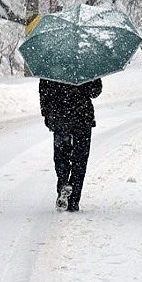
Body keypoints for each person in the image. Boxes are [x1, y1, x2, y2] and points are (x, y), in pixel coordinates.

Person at [39, 77, 103, 212]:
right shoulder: (88, 64)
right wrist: (82, 83)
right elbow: (95, 92)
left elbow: (44, 91)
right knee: (80, 160)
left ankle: (63, 182)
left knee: (61, 156)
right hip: (82, 117)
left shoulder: (52, 63)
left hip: (59, 117)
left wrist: (46, 114)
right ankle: (73, 200)